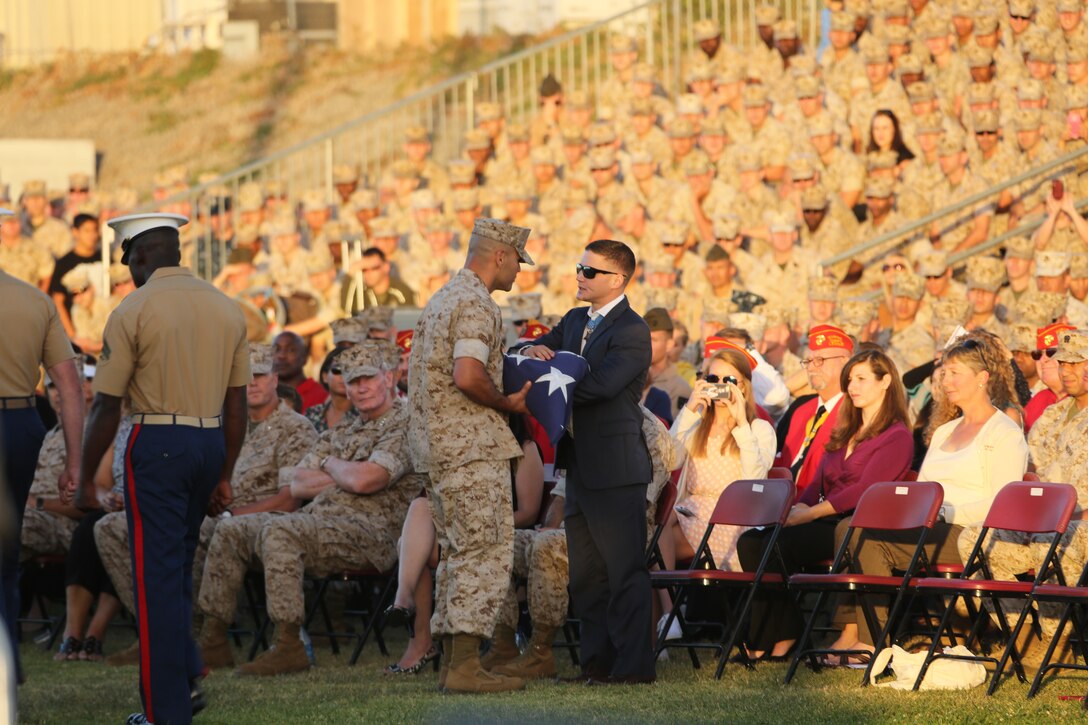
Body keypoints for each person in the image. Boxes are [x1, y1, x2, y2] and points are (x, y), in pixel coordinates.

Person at [76, 212, 250, 725]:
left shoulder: (135, 307)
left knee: (157, 584)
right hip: (208, 442)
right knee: (172, 575)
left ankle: (166, 712)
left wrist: (86, 477)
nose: (128, 267)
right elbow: (236, 404)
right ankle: (185, 669)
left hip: (158, 442)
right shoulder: (227, 307)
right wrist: (225, 472)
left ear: (143, 254)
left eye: (128, 257)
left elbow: (106, 406)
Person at [198, 341, 419, 676]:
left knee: (281, 529)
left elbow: (368, 481)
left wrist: (332, 465)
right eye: (352, 381)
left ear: (389, 378)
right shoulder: (345, 428)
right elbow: (296, 481)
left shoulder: (404, 424)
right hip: (320, 522)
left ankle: (289, 644)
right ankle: (212, 641)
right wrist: (346, 469)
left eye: (367, 379)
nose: (359, 389)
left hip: (372, 533)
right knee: (231, 528)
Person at [521, 239, 656, 684]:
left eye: (590, 271)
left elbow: (601, 385)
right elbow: (535, 349)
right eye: (579, 267)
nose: (580, 275)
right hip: (579, 466)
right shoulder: (576, 318)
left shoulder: (633, 330)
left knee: (624, 574)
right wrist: (534, 353)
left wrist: (553, 369)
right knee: (585, 578)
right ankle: (595, 666)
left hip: (617, 470)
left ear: (617, 279)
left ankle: (633, 669)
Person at [838, 335, 1029, 650]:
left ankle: (870, 642)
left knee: (865, 538)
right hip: (932, 526)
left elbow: (1002, 502)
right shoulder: (944, 431)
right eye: (944, 373)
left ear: (982, 378)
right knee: (851, 526)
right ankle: (862, 636)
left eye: (955, 373)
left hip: (973, 533)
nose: (946, 381)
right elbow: (924, 489)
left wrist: (944, 512)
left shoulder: (1004, 432)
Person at [407, 218, 533, 693]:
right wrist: (507, 403)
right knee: (481, 553)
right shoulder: (476, 303)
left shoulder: (442, 299)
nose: (520, 270)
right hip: (469, 449)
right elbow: (467, 374)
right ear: (500, 255)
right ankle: (463, 668)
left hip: (440, 450)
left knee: (460, 554)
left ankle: (457, 664)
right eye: (519, 259)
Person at [384, 415, 544, 676]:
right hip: (457, 537)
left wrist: (476, 525)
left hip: (499, 536)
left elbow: (528, 512)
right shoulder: (464, 450)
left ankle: (412, 623)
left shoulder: (524, 449)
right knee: (421, 507)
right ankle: (405, 603)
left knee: (410, 545)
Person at [0, 206, 84, 685]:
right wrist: (73, 460)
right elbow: (69, 386)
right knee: (6, 557)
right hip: (19, 424)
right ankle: (7, 662)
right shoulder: (34, 300)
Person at [664, 343, 776, 574]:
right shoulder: (697, 425)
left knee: (651, 543)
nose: (721, 386)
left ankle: (667, 607)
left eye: (730, 381)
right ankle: (667, 608)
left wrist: (741, 423)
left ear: (743, 386)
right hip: (688, 511)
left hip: (728, 519)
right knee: (652, 527)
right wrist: (689, 409)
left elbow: (754, 480)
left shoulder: (758, 429)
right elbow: (669, 459)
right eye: (714, 378)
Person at [775, 324, 853, 491]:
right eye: (809, 361)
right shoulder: (801, 409)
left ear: (845, 362)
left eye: (820, 360)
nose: (811, 367)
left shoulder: (854, 413)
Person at [304, 347, 357, 433]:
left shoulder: (366, 416)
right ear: (325, 377)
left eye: (350, 370)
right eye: (337, 370)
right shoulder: (312, 413)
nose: (344, 375)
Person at [273, 331, 328, 412]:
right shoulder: (260, 393)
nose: (282, 356)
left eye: (291, 350)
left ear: (305, 357)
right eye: (276, 349)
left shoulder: (321, 396)